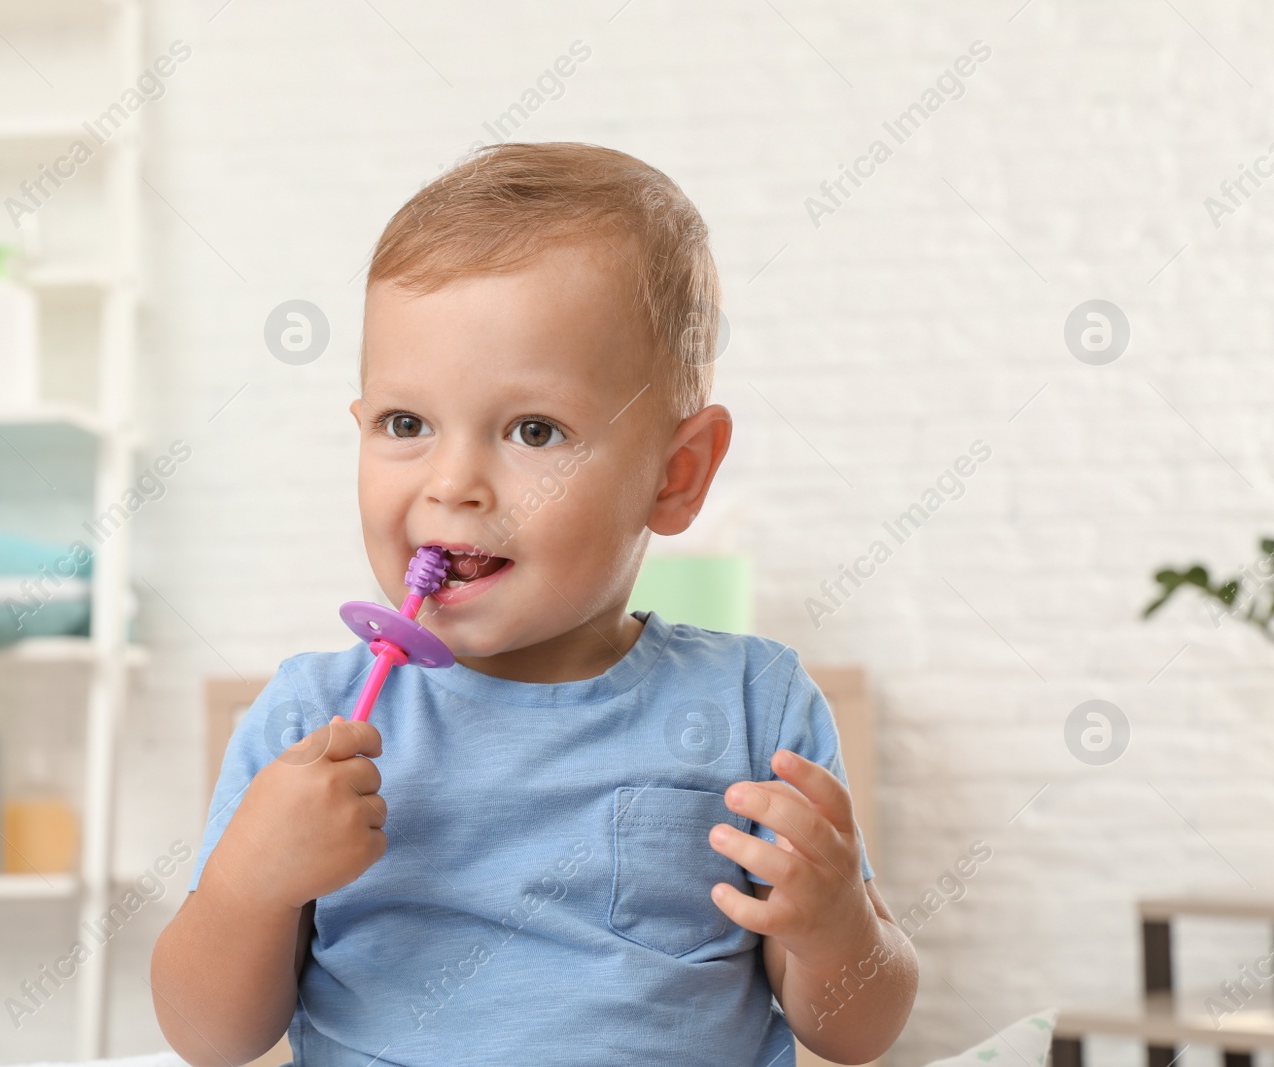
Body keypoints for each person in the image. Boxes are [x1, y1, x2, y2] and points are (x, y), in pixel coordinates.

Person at [151, 141, 917, 1066]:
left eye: (533, 430)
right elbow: (208, 1040)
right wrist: (246, 891)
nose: (453, 481)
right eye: (407, 424)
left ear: (675, 477)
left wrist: (837, 930)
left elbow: (857, 1031)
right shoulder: (308, 722)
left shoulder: (757, 706)